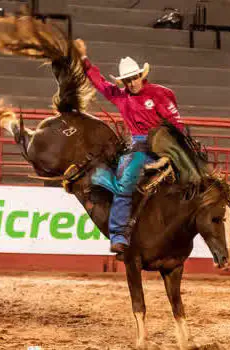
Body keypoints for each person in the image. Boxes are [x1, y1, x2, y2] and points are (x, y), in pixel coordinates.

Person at [74, 39, 184, 254]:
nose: (132, 83)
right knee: (125, 186)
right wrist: (84, 60)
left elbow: (176, 123)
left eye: (134, 78)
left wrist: (173, 148)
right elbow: (100, 82)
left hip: (166, 142)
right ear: (123, 82)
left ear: (141, 76)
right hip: (140, 147)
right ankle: (118, 236)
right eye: (127, 80)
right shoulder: (121, 96)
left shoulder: (160, 93)